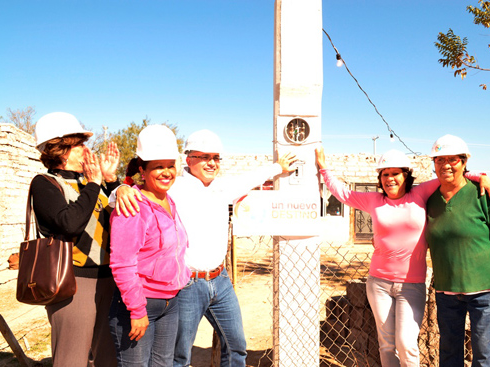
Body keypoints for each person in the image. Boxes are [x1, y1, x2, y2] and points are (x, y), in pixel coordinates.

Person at [113, 129, 297, 367]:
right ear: (188, 159)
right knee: (179, 354)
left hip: (221, 280)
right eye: (204, 157)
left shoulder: (223, 187)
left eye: (216, 157)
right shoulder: (173, 187)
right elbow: (128, 199)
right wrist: (121, 189)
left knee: (236, 345)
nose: (212, 163)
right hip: (189, 283)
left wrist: (277, 167)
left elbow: (250, 178)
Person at [315, 146, 490, 367]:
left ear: (406, 176)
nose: (390, 179)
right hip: (379, 283)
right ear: (380, 178)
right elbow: (343, 193)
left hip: (411, 285)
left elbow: (448, 175)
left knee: (406, 343)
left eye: (395, 173)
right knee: (386, 344)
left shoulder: (420, 194)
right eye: (385, 174)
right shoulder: (374, 200)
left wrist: (481, 177)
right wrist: (324, 168)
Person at [32, 111, 120, 367]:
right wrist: (94, 184)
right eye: (79, 144)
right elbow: (69, 223)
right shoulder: (45, 183)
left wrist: (111, 180)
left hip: (108, 279)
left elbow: (125, 217)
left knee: (109, 358)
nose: (86, 150)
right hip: (73, 282)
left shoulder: (92, 183)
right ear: (60, 150)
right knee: (72, 359)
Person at [425, 134, 490, 367]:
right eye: (439, 159)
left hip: (484, 292)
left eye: (453, 159)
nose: (446, 165)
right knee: (448, 353)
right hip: (446, 293)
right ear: (434, 164)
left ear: (464, 162)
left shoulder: (482, 194)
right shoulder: (429, 199)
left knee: (483, 354)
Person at [108, 124, 191, 366]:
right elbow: (123, 264)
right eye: (158, 167)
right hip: (139, 304)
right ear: (142, 171)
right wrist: (137, 310)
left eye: (170, 165)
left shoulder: (169, 200)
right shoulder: (132, 206)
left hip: (170, 302)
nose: (167, 172)